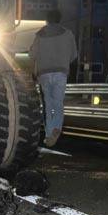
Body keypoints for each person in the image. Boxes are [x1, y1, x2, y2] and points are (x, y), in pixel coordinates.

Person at [29, 9, 78, 148]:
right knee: (58, 103)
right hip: (61, 73)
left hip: (44, 73)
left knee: (48, 104)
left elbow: (32, 55)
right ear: (59, 19)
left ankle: (50, 133)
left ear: (47, 20)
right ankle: (56, 128)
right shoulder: (68, 34)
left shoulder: (40, 34)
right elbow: (74, 55)